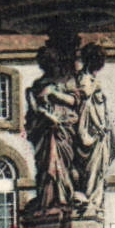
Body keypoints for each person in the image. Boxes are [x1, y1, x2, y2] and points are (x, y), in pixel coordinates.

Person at [24, 43, 80, 212]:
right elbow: (33, 110)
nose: (50, 67)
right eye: (46, 64)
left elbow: (75, 101)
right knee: (46, 165)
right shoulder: (38, 84)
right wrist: (45, 114)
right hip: (45, 130)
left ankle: (64, 196)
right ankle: (48, 200)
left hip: (64, 128)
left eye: (52, 63)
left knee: (63, 163)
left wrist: (54, 94)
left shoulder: (67, 82)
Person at [73, 42, 115, 216]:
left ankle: (94, 203)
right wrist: (98, 127)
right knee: (92, 170)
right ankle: (90, 201)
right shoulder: (84, 80)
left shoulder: (90, 79)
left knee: (98, 171)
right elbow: (86, 102)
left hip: (99, 133)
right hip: (91, 132)